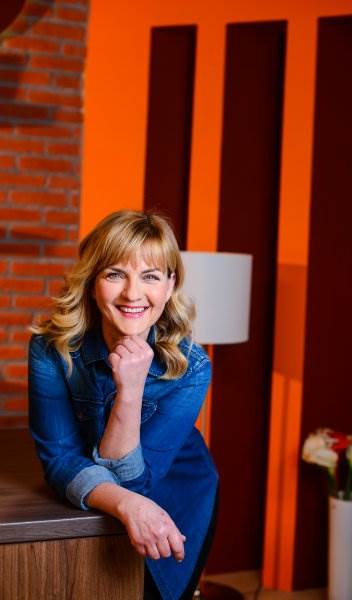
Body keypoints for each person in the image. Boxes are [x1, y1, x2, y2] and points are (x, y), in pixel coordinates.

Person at [28, 210, 219, 600]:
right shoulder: (50, 349)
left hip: (179, 490)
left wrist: (129, 391)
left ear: (170, 285)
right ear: (91, 282)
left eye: (150, 276)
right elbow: (60, 459)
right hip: (108, 497)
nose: (133, 294)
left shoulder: (192, 367)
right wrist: (129, 504)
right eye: (115, 274)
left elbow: (138, 481)